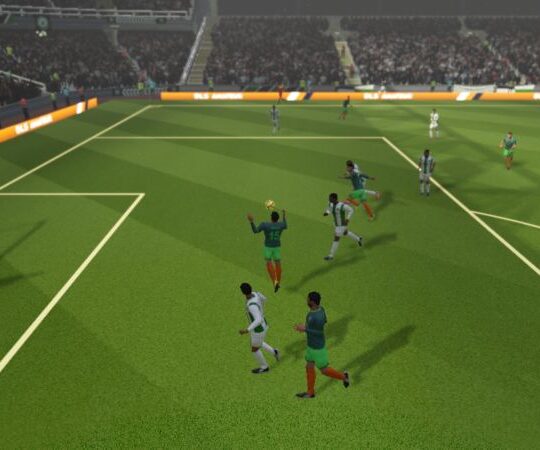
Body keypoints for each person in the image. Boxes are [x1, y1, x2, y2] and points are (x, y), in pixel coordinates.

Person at [294, 291, 350, 398]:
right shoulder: (320, 309)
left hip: (318, 348)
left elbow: (320, 332)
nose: (306, 301)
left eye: (308, 299)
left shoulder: (317, 316)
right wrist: (306, 328)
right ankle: (310, 392)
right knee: (309, 366)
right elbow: (324, 322)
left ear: (312, 302)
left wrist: (306, 329)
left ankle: (344, 376)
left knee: (324, 370)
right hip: (311, 346)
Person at [239, 283, 280, 374]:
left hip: (258, 330)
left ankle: (264, 367)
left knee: (254, 349)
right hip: (264, 325)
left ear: (243, 293)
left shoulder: (251, 306)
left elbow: (258, 319)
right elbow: (265, 299)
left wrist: (247, 330)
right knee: (258, 343)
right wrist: (261, 310)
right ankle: (275, 352)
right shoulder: (256, 293)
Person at [248, 209, 287, 292]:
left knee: (269, 262)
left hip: (268, 247)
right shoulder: (281, 225)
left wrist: (251, 222)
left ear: (271, 217)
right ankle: (278, 281)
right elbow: (285, 224)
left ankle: (274, 282)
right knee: (278, 263)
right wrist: (284, 215)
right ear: (278, 218)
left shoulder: (265, 225)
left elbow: (255, 231)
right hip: (277, 246)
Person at [323, 193, 363, 261]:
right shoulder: (330, 204)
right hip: (336, 224)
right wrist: (327, 212)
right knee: (345, 233)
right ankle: (358, 239)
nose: (329, 199)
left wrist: (347, 219)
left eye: (330, 198)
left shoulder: (342, 206)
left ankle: (331, 255)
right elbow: (329, 209)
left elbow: (351, 210)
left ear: (334, 199)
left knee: (336, 238)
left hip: (342, 225)